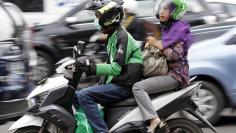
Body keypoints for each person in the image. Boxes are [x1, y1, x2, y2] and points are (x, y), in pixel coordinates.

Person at [75, 1, 143, 133]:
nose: (95, 20)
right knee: (75, 95)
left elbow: (116, 68)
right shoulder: (113, 36)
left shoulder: (122, 37)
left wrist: (91, 68)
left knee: (84, 95)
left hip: (124, 85)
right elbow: (109, 64)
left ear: (108, 18)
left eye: (98, 16)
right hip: (118, 82)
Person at [132, 0, 193, 133]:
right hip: (167, 73)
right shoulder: (169, 28)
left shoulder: (179, 29)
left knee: (138, 87)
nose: (162, 12)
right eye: (161, 9)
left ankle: (153, 119)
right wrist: (154, 44)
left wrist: (157, 45)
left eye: (166, 9)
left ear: (175, 12)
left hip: (175, 75)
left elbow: (176, 55)